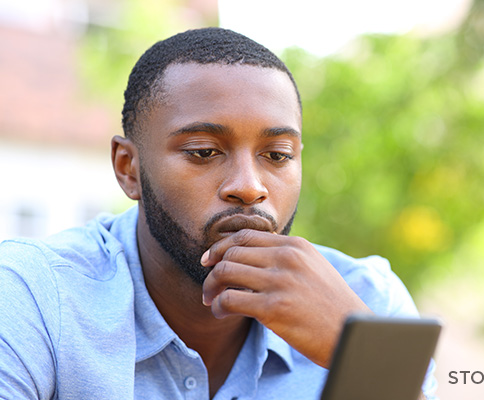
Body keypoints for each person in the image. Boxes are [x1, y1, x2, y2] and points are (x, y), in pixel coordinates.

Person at [0, 27, 437, 399]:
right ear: (128, 168)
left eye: (277, 155)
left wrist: (361, 353)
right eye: (204, 152)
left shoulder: (369, 301)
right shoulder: (34, 297)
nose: (249, 186)